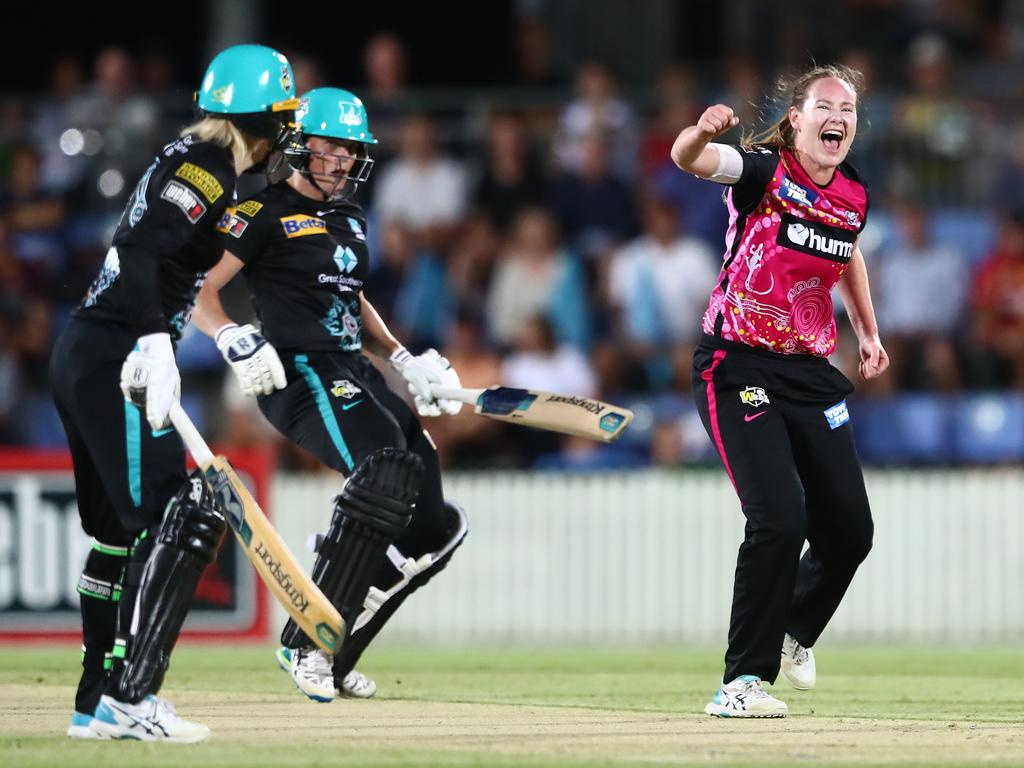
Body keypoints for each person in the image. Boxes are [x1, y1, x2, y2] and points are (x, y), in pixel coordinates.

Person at [50, 44, 299, 742]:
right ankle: (131, 698)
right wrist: (156, 343)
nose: (287, 134)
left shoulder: (199, 165)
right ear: (261, 121)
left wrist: (217, 336)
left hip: (91, 352)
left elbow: (167, 266)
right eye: (282, 118)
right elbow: (136, 252)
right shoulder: (205, 170)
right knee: (181, 516)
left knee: (117, 540)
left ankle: (95, 703)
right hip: (119, 356)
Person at [191, 87, 469, 703]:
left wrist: (401, 356)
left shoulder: (351, 216)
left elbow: (350, 295)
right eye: (333, 147)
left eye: (353, 150)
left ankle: (336, 651)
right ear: (299, 143)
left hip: (351, 369)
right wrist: (232, 336)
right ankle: (304, 643)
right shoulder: (260, 212)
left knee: (434, 527)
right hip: (296, 372)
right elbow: (200, 293)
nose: (343, 160)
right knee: (383, 470)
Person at [670, 64, 888, 718]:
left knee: (850, 531)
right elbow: (692, 160)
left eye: (847, 109)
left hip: (806, 371)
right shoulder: (765, 169)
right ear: (796, 119)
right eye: (825, 105)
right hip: (736, 363)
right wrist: (697, 132)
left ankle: (792, 627)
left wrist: (868, 332)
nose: (838, 118)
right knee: (780, 519)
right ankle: (740, 683)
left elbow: (846, 253)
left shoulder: (852, 193)